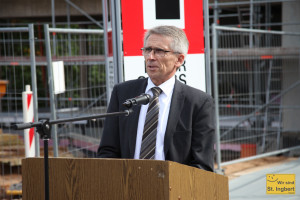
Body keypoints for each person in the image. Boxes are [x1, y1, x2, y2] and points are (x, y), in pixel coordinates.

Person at [97, 25, 215, 172]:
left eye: (159, 51)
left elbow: (202, 164)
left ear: (179, 59)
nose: (150, 57)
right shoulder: (123, 93)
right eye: (147, 50)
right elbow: (108, 150)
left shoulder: (198, 102)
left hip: (173, 190)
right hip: (128, 187)